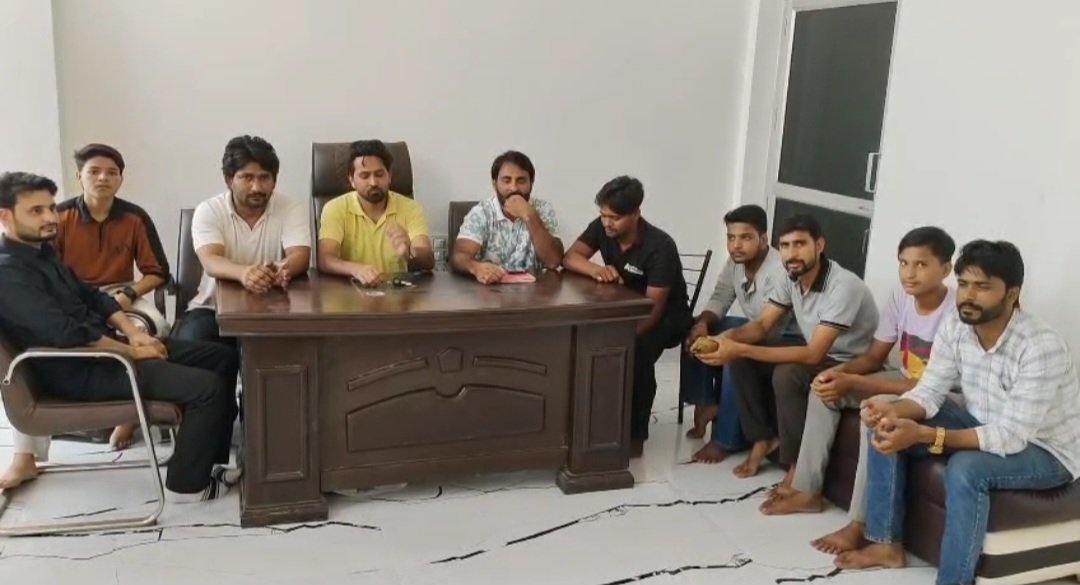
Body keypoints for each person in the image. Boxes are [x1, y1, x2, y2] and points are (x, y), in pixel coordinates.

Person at [836, 240, 1080, 585]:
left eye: (982, 287)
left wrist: (926, 435)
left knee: (967, 468)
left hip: (1044, 449)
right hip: (981, 421)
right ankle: (885, 544)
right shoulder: (956, 325)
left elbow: (1011, 436)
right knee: (890, 423)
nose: (968, 296)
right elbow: (930, 390)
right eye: (964, 284)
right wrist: (893, 409)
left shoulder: (1041, 346)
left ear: (1012, 294)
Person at [0, 172, 238, 501]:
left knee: (221, 357)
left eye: (51, 208)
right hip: (76, 369)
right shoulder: (7, 272)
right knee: (207, 388)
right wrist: (130, 352)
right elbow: (65, 332)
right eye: (36, 211)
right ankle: (188, 486)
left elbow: (93, 296)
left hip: (105, 352)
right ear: (5, 216)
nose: (50, 218)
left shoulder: (42, 252)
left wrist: (133, 334)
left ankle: (210, 460)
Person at [761, 227, 955, 519]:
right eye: (904, 263)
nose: (909, 273)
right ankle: (807, 491)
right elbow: (874, 357)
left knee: (874, 410)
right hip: (903, 378)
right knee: (824, 389)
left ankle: (860, 522)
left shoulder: (954, 312)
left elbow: (930, 385)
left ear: (946, 269)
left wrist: (853, 381)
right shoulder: (901, 297)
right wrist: (837, 374)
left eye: (921, 264)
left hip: (940, 392)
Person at [696, 214, 878, 480]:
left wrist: (739, 348)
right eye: (785, 246)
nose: (791, 254)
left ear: (819, 245)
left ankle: (795, 467)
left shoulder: (844, 286)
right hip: (818, 352)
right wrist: (726, 339)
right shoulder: (790, 276)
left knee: (786, 373)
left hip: (849, 361)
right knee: (740, 355)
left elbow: (814, 354)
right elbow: (761, 326)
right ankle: (762, 439)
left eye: (799, 244)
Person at [52, 143, 173, 450]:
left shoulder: (134, 217)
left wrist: (130, 293)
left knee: (148, 329)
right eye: (94, 171)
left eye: (111, 172)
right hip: (74, 294)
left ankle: (129, 416)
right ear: (79, 176)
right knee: (74, 334)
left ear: (121, 178)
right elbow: (50, 273)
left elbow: (158, 271)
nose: (103, 178)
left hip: (121, 291)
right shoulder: (59, 217)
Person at [563, 176, 692, 457]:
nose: (607, 223)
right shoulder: (602, 228)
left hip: (667, 317)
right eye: (603, 215)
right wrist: (596, 269)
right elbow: (570, 257)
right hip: (624, 309)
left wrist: (622, 339)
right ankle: (595, 423)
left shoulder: (660, 246)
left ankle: (635, 436)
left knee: (637, 354)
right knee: (584, 340)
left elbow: (654, 308)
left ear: (635, 214)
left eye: (615, 218)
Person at [682, 204, 799, 463]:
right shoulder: (735, 262)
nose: (736, 245)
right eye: (731, 238)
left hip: (784, 338)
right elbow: (721, 296)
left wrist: (727, 339)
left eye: (745, 237)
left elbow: (765, 327)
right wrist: (703, 324)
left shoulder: (779, 271)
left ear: (763, 239)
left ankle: (726, 440)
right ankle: (705, 402)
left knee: (734, 356)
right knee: (694, 332)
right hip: (754, 327)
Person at [174, 136, 311, 345]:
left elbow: (300, 255)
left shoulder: (291, 208)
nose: (256, 187)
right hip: (212, 309)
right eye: (247, 178)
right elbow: (211, 260)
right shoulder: (209, 210)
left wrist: (280, 269)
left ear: (274, 180)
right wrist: (244, 274)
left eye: (264, 178)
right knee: (190, 349)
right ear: (229, 180)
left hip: (273, 308)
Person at [317, 139, 434, 285]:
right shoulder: (335, 208)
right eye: (364, 176)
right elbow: (325, 259)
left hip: (397, 291)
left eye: (379, 174)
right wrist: (357, 269)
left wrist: (411, 251)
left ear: (389, 176)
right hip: (351, 290)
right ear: (352, 180)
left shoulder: (411, 208)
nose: (373, 182)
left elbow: (428, 261)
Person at [451, 151, 562, 284]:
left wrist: (530, 215)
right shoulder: (481, 212)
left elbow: (553, 261)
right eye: (506, 180)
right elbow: (459, 256)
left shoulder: (543, 209)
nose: (513, 188)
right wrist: (476, 268)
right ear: (495, 184)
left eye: (521, 181)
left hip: (536, 290)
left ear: (531, 183)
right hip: (490, 290)